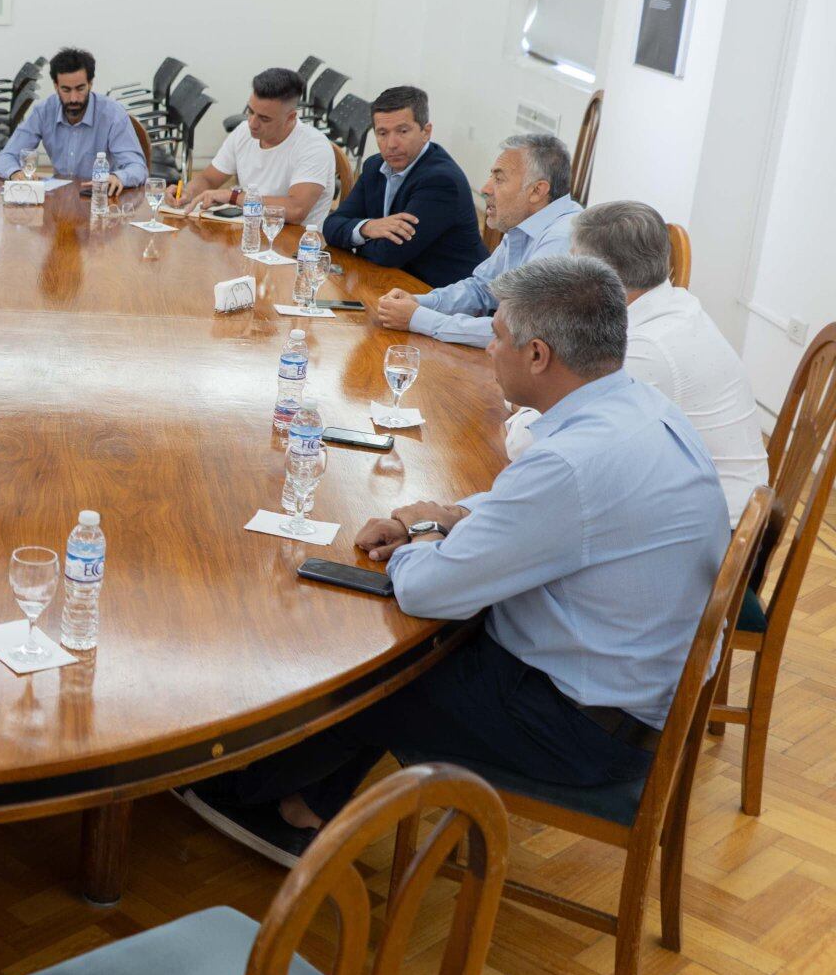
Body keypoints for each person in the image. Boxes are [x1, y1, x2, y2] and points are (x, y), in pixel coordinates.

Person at [177, 256, 728, 865]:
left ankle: (240, 789)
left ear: (538, 355)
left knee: (381, 664)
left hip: (580, 731)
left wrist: (416, 544)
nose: (490, 347)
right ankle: (304, 800)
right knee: (431, 644)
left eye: (497, 335)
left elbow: (429, 589)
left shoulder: (569, 465)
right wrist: (438, 513)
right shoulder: (636, 409)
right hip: (633, 697)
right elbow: (537, 511)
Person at [535, 202, 763, 523]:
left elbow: (545, 446)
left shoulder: (646, 348)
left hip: (710, 532)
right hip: (688, 493)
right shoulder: (669, 306)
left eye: (572, 260)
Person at [374, 133, 580, 347]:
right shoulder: (524, 225)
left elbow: (516, 332)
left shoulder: (562, 238)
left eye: (498, 179)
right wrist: (418, 302)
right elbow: (482, 288)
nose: (485, 189)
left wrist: (418, 318)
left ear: (537, 191)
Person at [320, 87, 488, 288]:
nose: (391, 144)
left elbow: (389, 253)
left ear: (426, 132)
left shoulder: (441, 181)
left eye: (402, 131)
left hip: (446, 300)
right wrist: (368, 227)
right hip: (394, 285)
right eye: (382, 133)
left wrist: (354, 240)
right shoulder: (374, 166)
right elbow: (331, 226)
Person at [177, 67, 338, 227]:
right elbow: (209, 179)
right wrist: (187, 193)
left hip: (294, 245)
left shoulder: (313, 146)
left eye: (264, 118)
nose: (252, 123)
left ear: (290, 118)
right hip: (251, 234)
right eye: (250, 111)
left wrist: (234, 197)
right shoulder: (243, 132)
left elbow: (296, 210)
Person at [0, 46, 148, 193]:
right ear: (56, 86)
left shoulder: (113, 114)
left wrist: (117, 177)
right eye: (66, 90)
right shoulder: (43, 112)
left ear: (90, 84)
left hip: (100, 201)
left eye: (80, 89)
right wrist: (15, 173)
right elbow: (5, 157)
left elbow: (138, 167)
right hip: (59, 204)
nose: (74, 98)